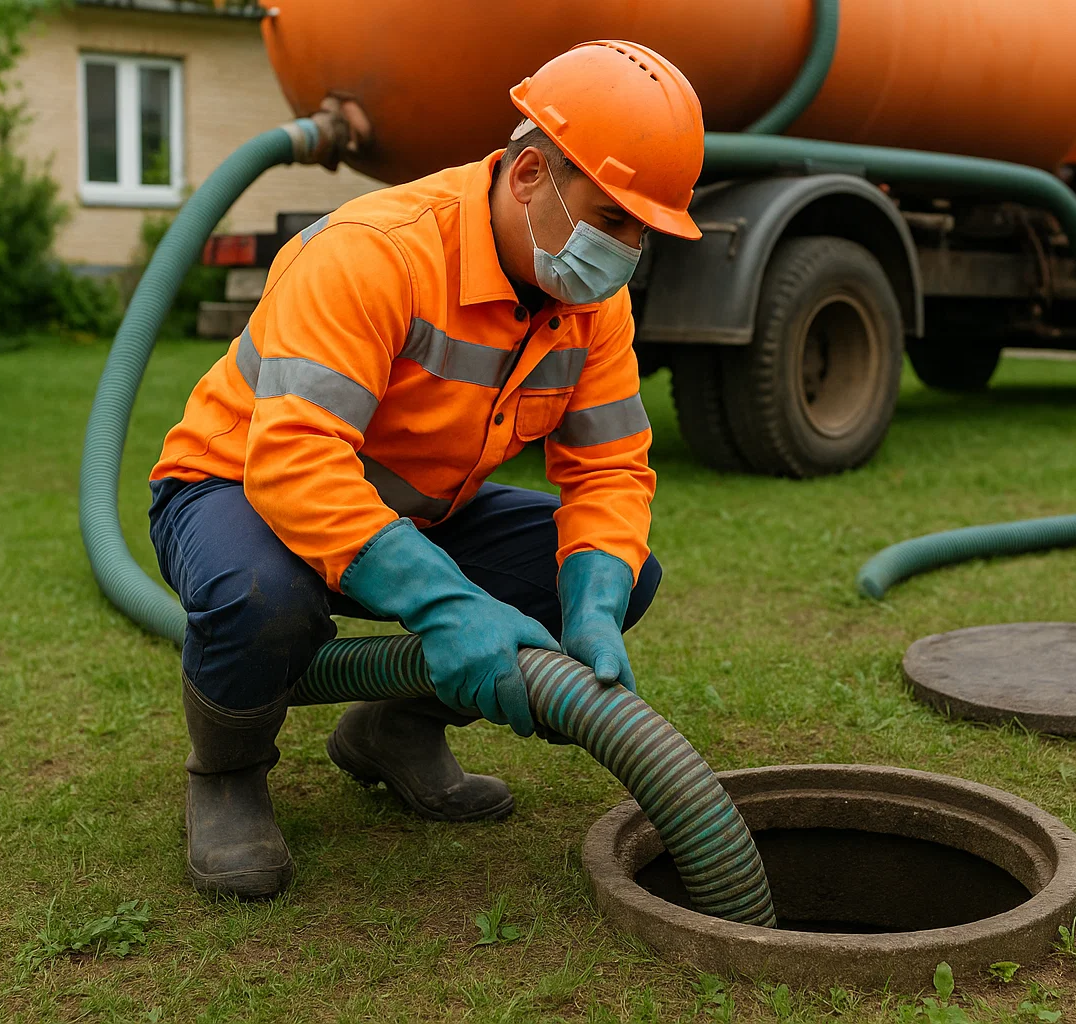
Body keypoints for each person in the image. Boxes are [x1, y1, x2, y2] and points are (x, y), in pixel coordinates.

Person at [146, 41, 705, 898]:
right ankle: (226, 775)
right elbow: (295, 462)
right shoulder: (376, 253)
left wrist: (590, 610)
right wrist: (448, 605)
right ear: (527, 175)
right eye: (612, 217)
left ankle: (392, 733)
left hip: (411, 514)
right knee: (264, 601)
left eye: (644, 231)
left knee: (617, 576)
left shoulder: (595, 308)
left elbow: (608, 474)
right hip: (236, 488)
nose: (624, 252)